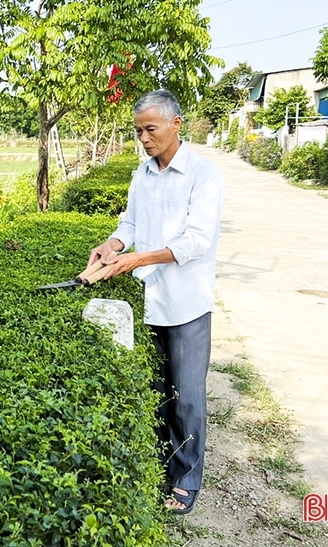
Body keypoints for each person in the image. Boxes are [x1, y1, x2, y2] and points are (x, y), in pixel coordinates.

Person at [87, 89, 224, 514]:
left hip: (185, 302)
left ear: (176, 124)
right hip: (150, 298)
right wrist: (111, 246)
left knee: (187, 396)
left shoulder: (203, 174)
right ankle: (164, 462)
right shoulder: (141, 174)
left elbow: (197, 240)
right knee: (159, 388)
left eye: (151, 129)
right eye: (139, 131)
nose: (144, 138)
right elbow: (129, 222)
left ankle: (187, 478)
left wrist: (138, 259)